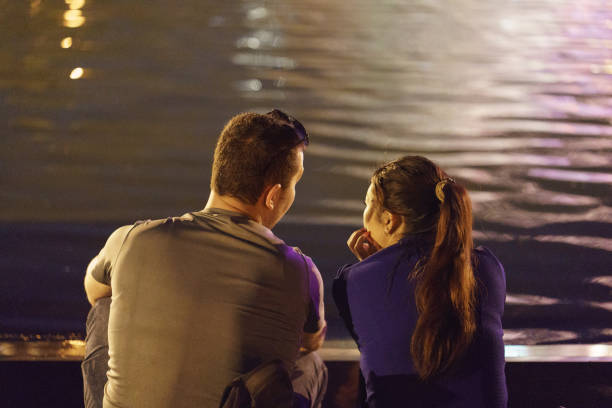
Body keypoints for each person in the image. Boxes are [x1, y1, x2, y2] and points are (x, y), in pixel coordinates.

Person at [82, 110, 328, 408]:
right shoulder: (301, 271)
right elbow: (310, 341)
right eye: (294, 183)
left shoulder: (131, 239)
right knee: (311, 363)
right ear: (273, 195)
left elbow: (94, 291)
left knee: (106, 308)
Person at [333, 155, 507, 408]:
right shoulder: (488, 268)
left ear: (390, 220)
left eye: (367, 203)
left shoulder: (351, 282)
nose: (364, 213)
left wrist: (369, 266)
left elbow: (377, 349)